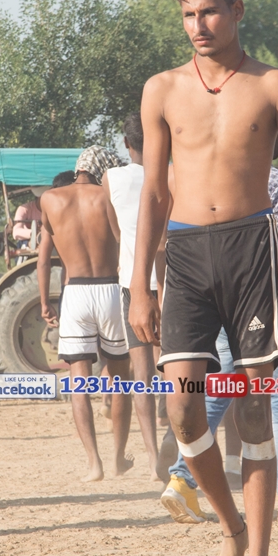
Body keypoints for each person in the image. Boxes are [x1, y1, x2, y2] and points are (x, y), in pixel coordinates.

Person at [129, 0, 278, 556]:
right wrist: (138, 284)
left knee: (253, 409)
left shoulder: (274, 85)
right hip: (186, 253)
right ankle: (231, 527)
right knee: (183, 409)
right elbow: (153, 193)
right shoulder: (161, 90)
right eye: (188, 14)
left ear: (236, 10)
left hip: (253, 250)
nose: (198, 25)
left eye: (210, 11)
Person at [163, 135, 278, 523]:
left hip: (222, 293)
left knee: (218, 389)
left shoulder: (211, 179)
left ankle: (182, 479)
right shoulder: (272, 178)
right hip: (270, 296)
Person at [38, 145, 134, 482]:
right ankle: (118, 457)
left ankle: (94, 464)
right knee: (121, 379)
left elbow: (45, 256)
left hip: (75, 292)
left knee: (79, 382)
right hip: (110, 290)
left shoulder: (49, 199)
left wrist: (44, 301)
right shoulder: (108, 197)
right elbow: (123, 243)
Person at [105, 116, 169, 482]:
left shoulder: (111, 179)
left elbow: (116, 232)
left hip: (134, 283)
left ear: (127, 144)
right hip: (171, 281)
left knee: (141, 374)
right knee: (176, 367)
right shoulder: (173, 174)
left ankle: (152, 458)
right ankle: (177, 442)